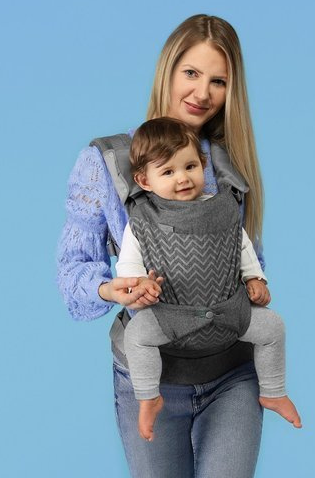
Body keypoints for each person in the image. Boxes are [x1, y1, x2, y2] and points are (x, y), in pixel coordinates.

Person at [57, 14, 289, 478]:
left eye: (218, 81)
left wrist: (254, 284)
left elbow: (247, 255)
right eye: (191, 73)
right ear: (168, 70)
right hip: (151, 376)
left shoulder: (225, 163)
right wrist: (112, 289)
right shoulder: (107, 163)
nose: (202, 93)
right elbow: (73, 272)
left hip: (232, 373)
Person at [117, 117, 301, 442]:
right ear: (144, 180)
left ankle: (273, 391)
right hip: (171, 318)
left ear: (203, 164)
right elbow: (128, 265)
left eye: (190, 166)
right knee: (137, 335)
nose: (183, 178)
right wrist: (139, 285)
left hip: (230, 313)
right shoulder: (142, 221)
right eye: (168, 172)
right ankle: (149, 397)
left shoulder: (222, 208)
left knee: (273, 327)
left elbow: (240, 245)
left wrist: (255, 278)